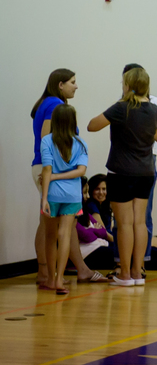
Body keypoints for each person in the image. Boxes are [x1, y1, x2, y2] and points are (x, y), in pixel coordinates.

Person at [87, 67, 157, 287]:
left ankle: (125, 275)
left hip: (121, 172)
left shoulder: (122, 107)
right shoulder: (154, 109)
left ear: (127, 85)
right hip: (146, 171)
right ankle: (138, 273)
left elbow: (92, 125)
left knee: (124, 224)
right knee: (140, 223)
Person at [30, 68, 78, 289]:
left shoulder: (47, 102)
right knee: (52, 226)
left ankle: (47, 273)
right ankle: (48, 274)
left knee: (47, 223)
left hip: (47, 168)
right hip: (50, 169)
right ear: (60, 84)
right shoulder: (54, 105)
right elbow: (46, 138)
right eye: (72, 82)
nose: (76, 86)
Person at [39, 104, 89, 294]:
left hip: (52, 194)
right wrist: (62, 176)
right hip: (73, 195)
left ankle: (51, 279)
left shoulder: (47, 141)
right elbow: (81, 171)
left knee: (50, 237)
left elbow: (47, 169)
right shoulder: (80, 143)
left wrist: (44, 197)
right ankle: (60, 279)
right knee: (65, 236)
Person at [122, 63, 157, 271]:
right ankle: (121, 263)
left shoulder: (155, 104)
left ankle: (140, 263)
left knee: (143, 216)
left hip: (148, 160)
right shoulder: (122, 104)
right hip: (124, 163)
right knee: (122, 219)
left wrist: (142, 118)